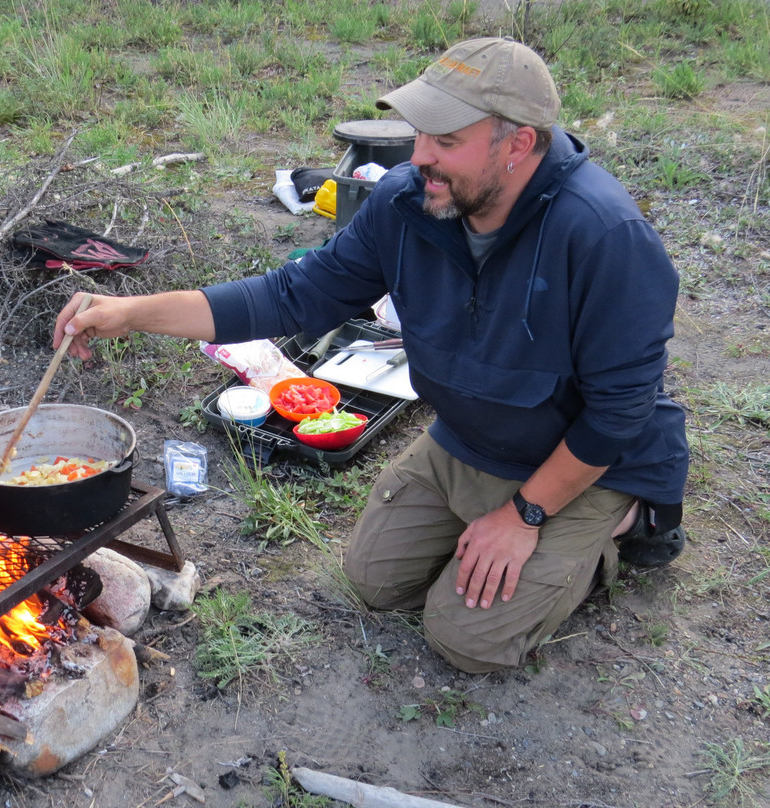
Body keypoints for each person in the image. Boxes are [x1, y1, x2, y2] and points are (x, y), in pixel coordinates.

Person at [53, 37, 690, 673]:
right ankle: (493, 528)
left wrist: (524, 516)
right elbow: (292, 295)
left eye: (446, 141)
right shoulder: (408, 203)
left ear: (518, 143)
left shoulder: (606, 237)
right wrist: (132, 312)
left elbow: (618, 412)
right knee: (374, 583)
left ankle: (628, 521)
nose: (420, 156)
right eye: (420, 133)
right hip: (470, 437)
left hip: (581, 458)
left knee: (467, 642)